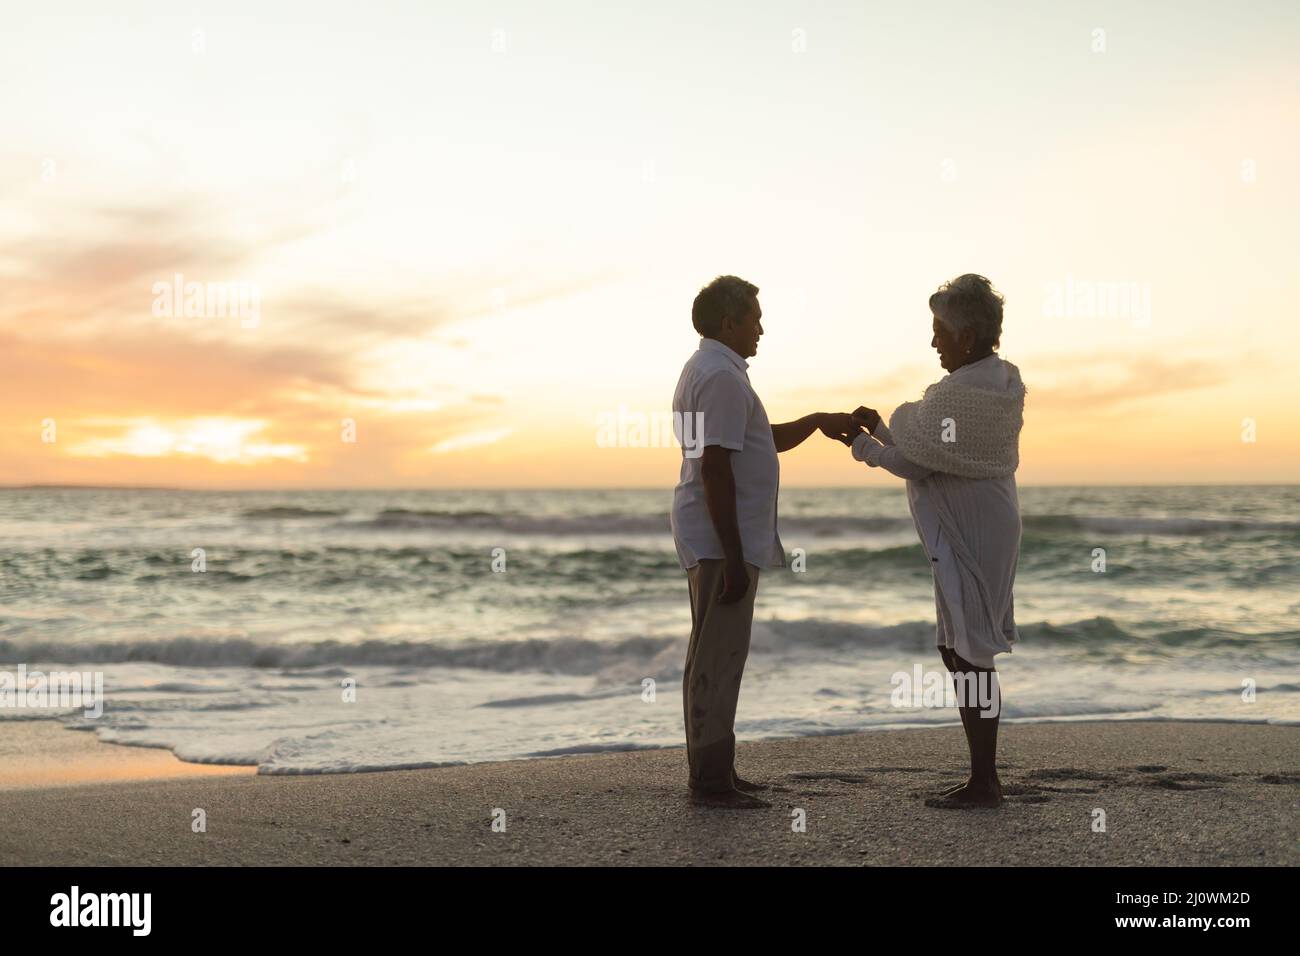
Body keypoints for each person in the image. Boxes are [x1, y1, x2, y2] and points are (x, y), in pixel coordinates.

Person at [671, 275, 859, 809]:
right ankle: (710, 782)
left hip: (709, 532)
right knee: (718, 656)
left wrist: (820, 421)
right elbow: (714, 468)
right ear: (728, 322)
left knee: (715, 652)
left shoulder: (709, 369)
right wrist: (732, 555)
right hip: (718, 537)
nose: (761, 327)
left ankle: (716, 770)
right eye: (754, 317)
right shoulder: (722, 378)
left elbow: (758, 441)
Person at [847, 274, 1026, 809]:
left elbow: (915, 458)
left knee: (969, 653)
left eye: (939, 331)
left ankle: (984, 782)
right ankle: (982, 775)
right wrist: (881, 426)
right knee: (957, 648)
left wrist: (864, 445)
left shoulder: (961, 394)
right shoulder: (998, 383)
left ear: (966, 337)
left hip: (971, 534)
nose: (933, 342)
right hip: (982, 526)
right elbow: (931, 447)